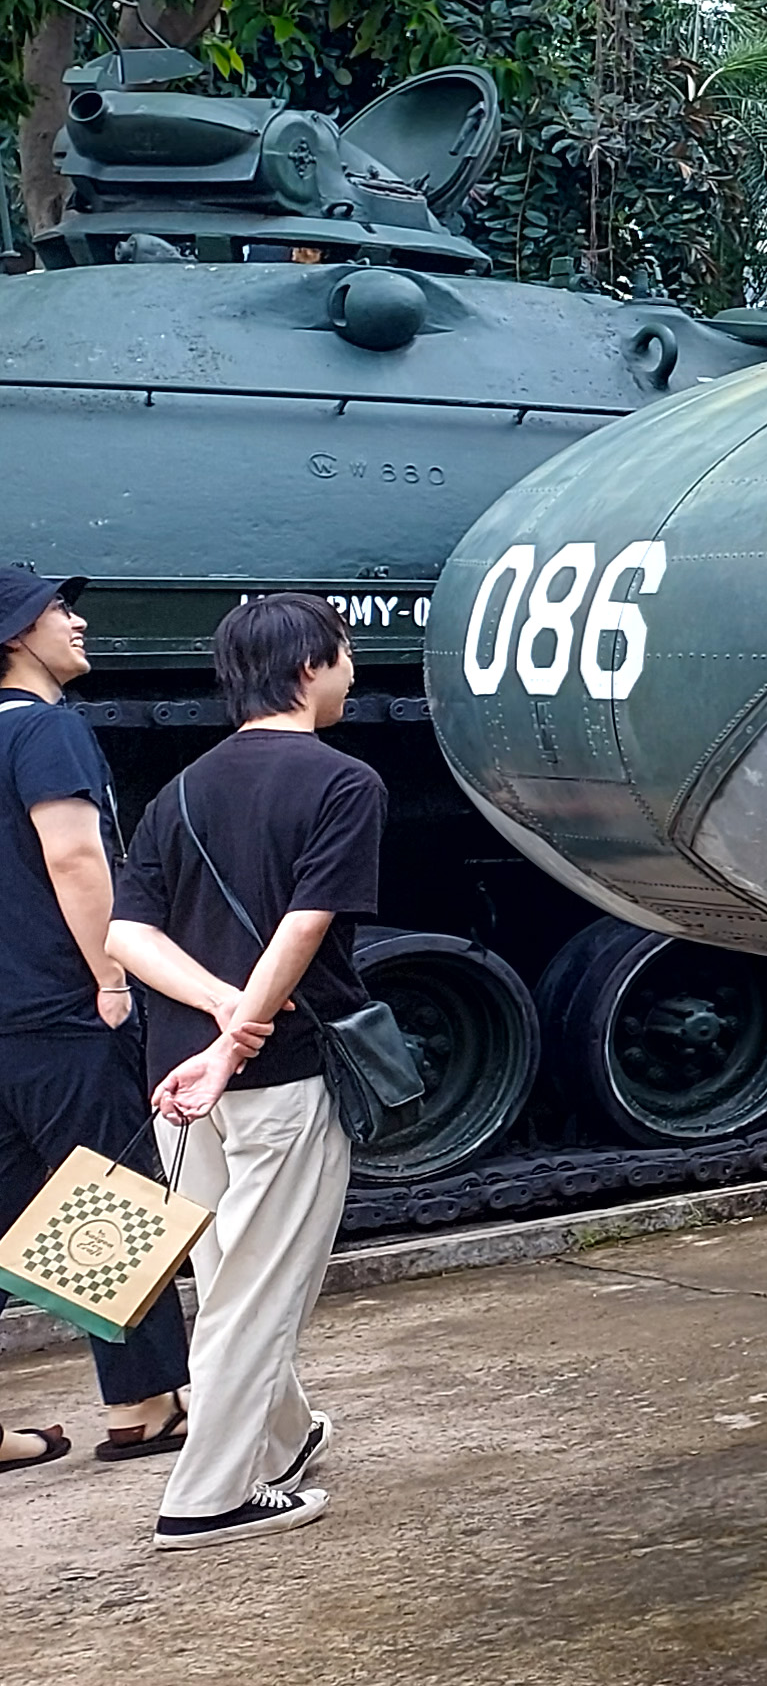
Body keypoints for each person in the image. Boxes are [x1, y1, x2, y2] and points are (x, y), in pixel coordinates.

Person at [107, 593, 384, 1550]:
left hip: (179, 1082)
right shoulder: (344, 782)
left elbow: (127, 934)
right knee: (258, 1291)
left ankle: (284, 1434)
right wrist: (239, 1037)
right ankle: (208, 1497)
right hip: (275, 1075)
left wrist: (219, 1011)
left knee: (230, 1273)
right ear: (309, 665)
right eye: (344, 654)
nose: (351, 672)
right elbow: (303, 928)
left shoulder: (179, 789)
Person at [0, 567, 190, 1472]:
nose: (76, 621)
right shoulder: (44, 729)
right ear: (15, 633)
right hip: (58, 1010)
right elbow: (76, 857)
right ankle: (142, 1404)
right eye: (58, 609)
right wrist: (113, 976)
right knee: (105, 1199)